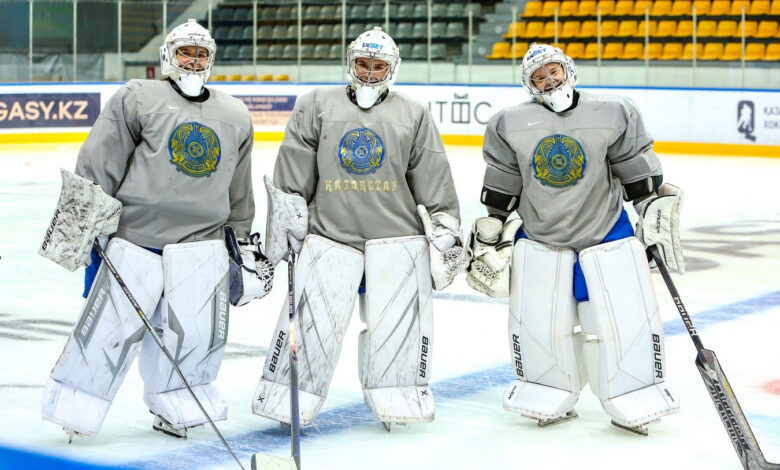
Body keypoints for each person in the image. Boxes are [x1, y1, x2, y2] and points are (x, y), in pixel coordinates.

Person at [38, 19, 272, 441]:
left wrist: (241, 242)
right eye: (186, 52)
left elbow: (240, 188)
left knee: (195, 337)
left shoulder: (235, 114)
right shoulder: (137, 97)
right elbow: (101, 160)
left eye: (201, 54)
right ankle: (77, 402)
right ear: (168, 55)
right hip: (136, 239)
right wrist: (86, 223)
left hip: (202, 247)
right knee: (109, 329)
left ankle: (177, 403)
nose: (194, 61)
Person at [251, 27, 466, 429]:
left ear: (392, 68)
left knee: (396, 329)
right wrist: (288, 212)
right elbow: (294, 167)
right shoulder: (315, 104)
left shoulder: (414, 113)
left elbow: (433, 174)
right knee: (313, 326)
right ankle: (289, 396)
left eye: (378, 65)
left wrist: (444, 225)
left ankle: (396, 394)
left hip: (397, 241)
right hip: (331, 236)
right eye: (362, 64)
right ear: (350, 64)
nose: (369, 72)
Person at [466, 43, 685, 434]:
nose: (548, 80)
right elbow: (504, 178)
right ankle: (548, 389)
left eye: (553, 71)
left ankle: (632, 392)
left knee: (619, 321)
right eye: (539, 76)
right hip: (541, 236)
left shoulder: (613, 112)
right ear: (529, 85)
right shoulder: (508, 123)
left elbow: (634, 168)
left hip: (605, 231)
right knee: (541, 326)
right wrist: (493, 225)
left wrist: (651, 209)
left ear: (568, 69)